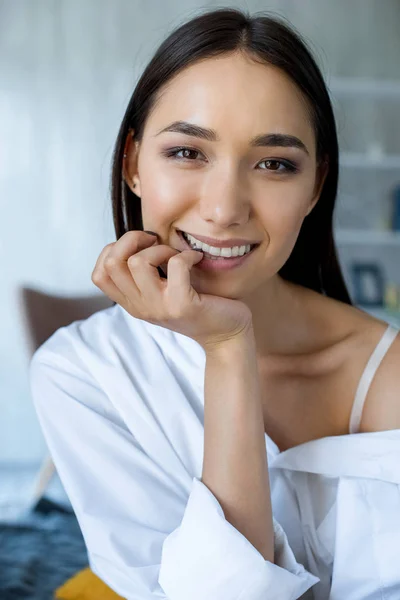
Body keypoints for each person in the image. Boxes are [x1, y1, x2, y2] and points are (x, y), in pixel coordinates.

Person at [29, 7, 400, 600]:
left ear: (315, 186)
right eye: (187, 152)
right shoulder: (82, 373)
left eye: (274, 164)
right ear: (132, 164)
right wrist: (228, 350)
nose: (225, 208)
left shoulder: (388, 373)